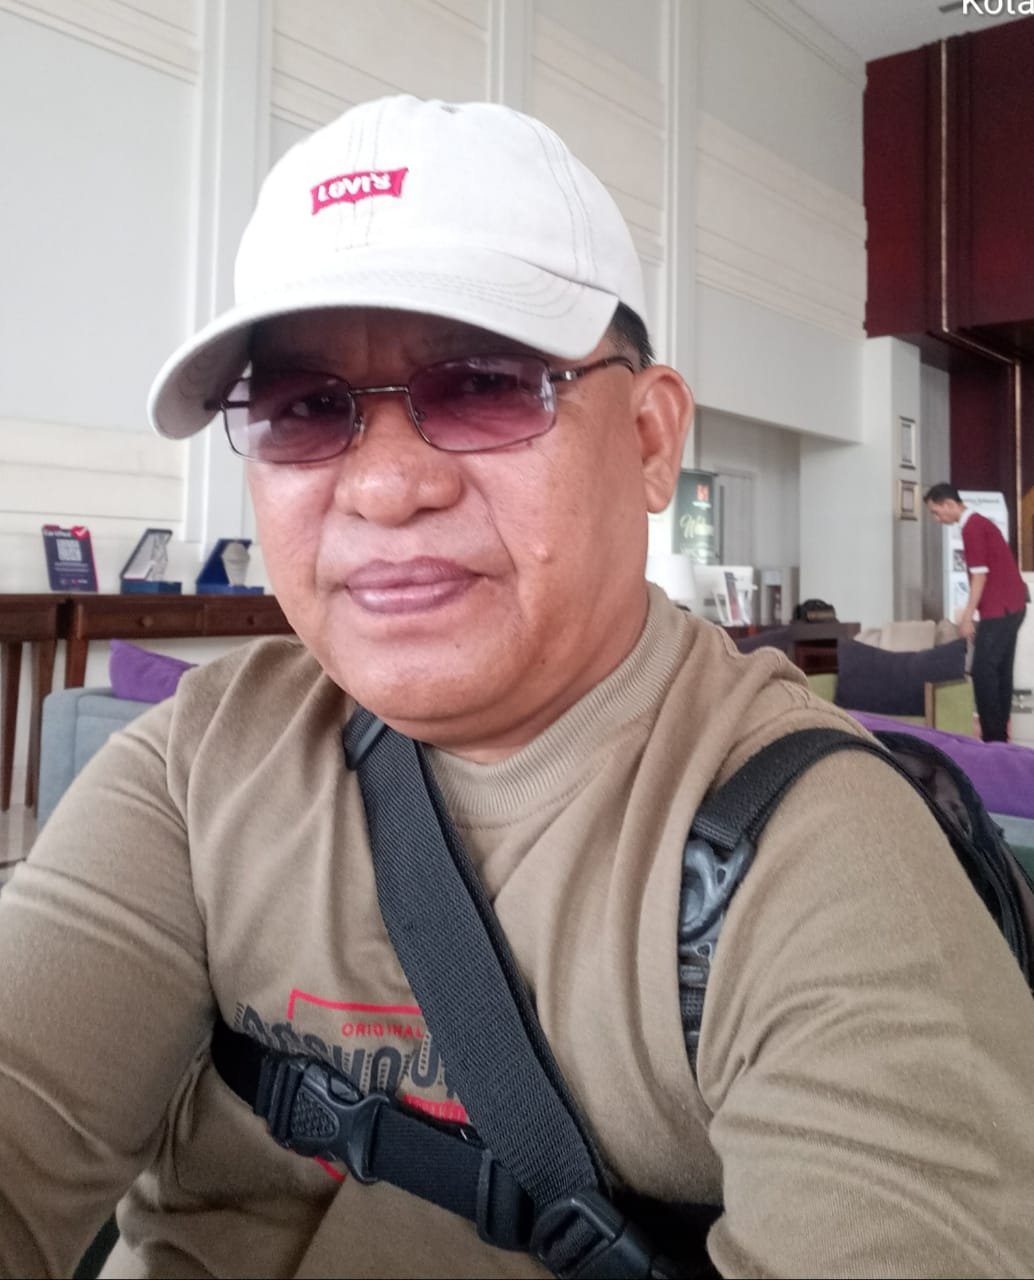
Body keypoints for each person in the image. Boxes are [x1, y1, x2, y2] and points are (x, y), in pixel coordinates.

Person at [2, 95, 1034, 1280]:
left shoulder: (813, 854)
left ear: (648, 439)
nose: (384, 486)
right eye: (304, 409)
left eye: (484, 384)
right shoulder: (199, 761)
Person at [925, 482, 1028, 742]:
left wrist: (968, 617)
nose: (937, 519)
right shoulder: (981, 523)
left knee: (983, 672)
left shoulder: (971, 528)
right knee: (1000, 670)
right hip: (1013, 606)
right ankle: (1000, 737)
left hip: (1000, 609)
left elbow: (980, 577)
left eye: (936, 512)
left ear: (950, 504)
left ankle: (992, 738)